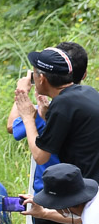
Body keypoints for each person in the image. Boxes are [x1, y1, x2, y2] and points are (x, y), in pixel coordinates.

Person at [9, 42, 86, 224]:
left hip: (55, 193)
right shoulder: (82, 100)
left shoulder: (59, 108)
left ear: (42, 78)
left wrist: (29, 115)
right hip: (85, 190)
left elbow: (39, 153)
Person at [16, 45, 99, 184]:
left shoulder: (62, 103)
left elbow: (40, 156)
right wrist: (45, 116)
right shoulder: (88, 92)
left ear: (42, 78)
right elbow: (74, 134)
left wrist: (28, 117)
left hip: (88, 189)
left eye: (34, 75)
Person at [20, 163, 99, 224]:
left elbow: (89, 221)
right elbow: (81, 219)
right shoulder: (94, 201)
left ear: (63, 206)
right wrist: (43, 213)